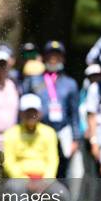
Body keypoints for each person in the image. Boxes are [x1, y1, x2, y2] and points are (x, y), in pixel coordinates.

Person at [2, 94, 70, 201]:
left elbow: (53, 160)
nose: (31, 115)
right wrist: (24, 179)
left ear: (39, 113)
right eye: (27, 112)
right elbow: (8, 162)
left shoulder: (49, 132)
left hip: (45, 179)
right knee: (16, 188)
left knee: (61, 193)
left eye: (34, 112)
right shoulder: (10, 134)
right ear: (21, 113)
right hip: (20, 178)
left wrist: (45, 181)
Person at [22, 40, 79, 178]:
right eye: (50, 56)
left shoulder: (70, 84)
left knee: (65, 169)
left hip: (63, 131)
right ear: (44, 58)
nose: (53, 60)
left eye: (57, 56)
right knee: (42, 166)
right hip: (41, 130)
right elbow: (25, 105)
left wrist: (76, 139)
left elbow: (74, 114)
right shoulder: (34, 80)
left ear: (63, 59)